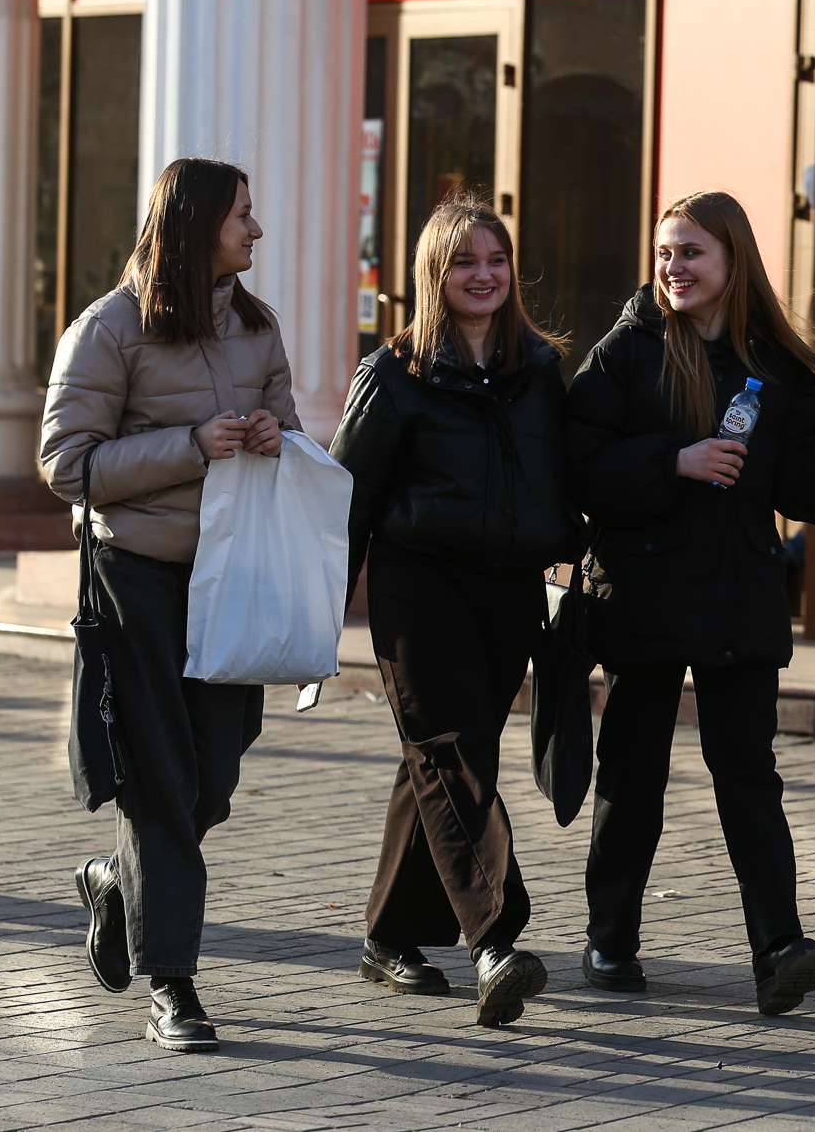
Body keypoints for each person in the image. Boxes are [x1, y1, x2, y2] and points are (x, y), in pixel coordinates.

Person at [565, 189, 815, 1015]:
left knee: (747, 776)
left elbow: (800, 488)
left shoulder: (776, 367)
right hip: (642, 594)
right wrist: (671, 461)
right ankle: (611, 940)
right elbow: (576, 469)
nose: (673, 268)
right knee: (633, 778)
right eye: (665, 253)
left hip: (737, 597)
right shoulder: (626, 352)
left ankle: (779, 949)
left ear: (733, 261)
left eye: (691, 253)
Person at [41, 158, 298, 1053]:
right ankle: (174, 987)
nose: (256, 230)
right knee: (160, 784)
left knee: (212, 777)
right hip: (139, 582)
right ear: (196, 227)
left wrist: (274, 437)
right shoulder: (108, 329)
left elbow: (289, 433)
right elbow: (67, 464)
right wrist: (188, 445)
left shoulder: (257, 327)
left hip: (234, 583)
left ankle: (120, 876)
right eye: (242, 216)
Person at [329, 197, 581, 1027]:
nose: (483, 274)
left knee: (440, 757)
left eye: (496, 259)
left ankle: (389, 933)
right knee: (452, 750)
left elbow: (567, 478)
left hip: (508, 589)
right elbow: (344, 503)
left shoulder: (541, 370)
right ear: (433, 276)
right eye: (464, 261)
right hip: (417, 587)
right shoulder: (394, 375)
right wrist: (319, 615)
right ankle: (493, 941)